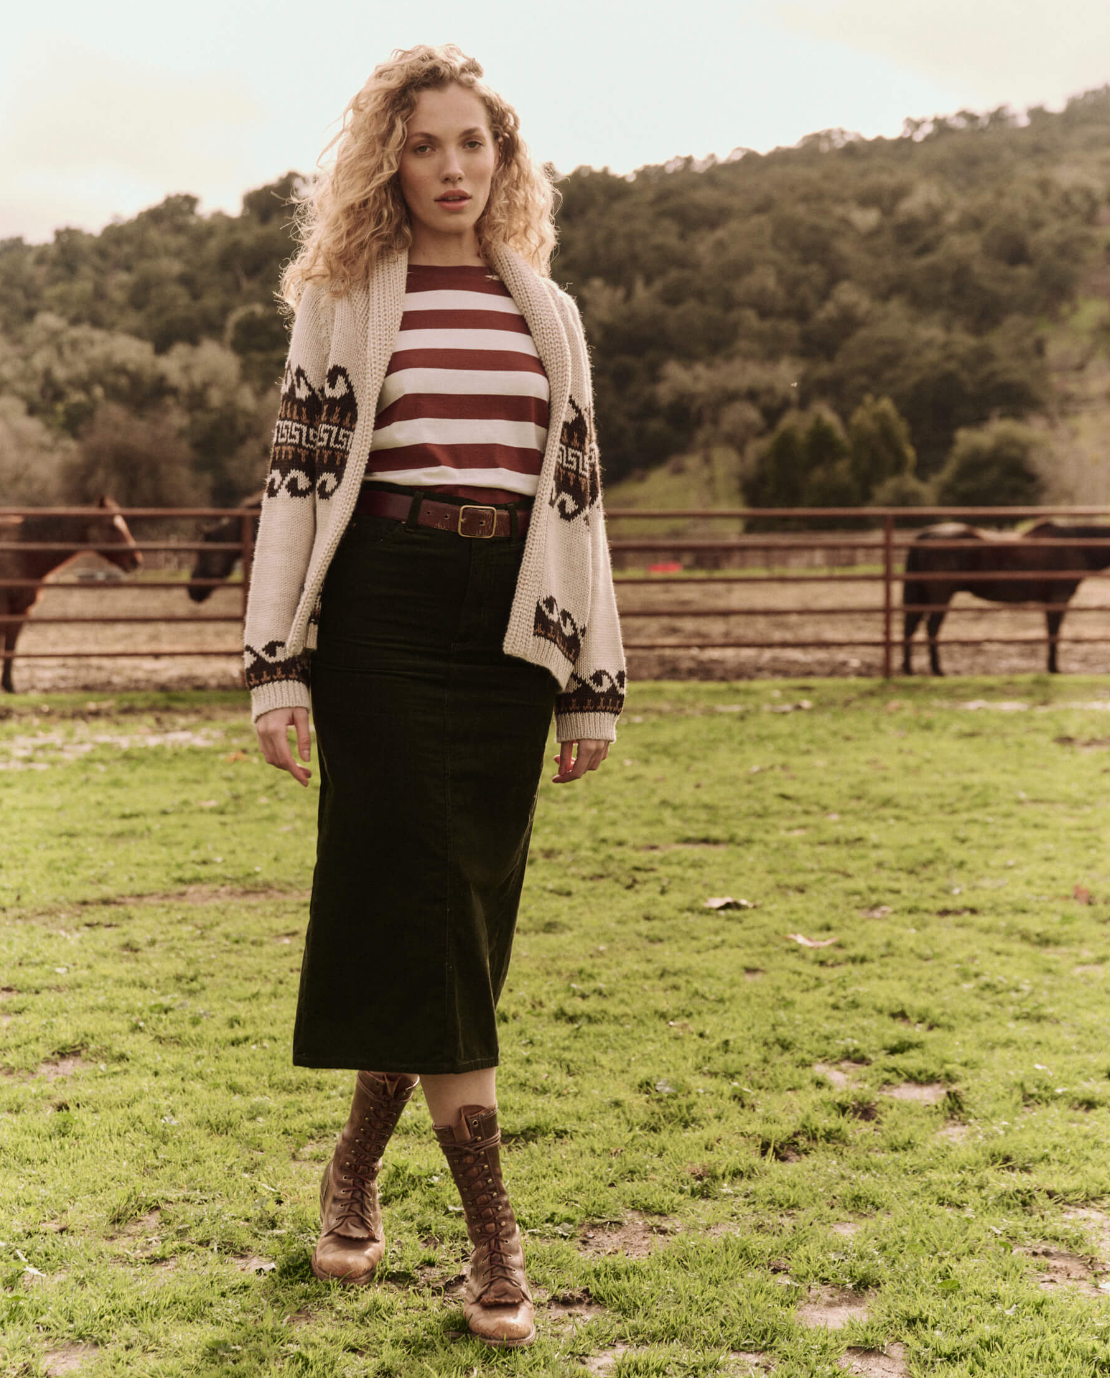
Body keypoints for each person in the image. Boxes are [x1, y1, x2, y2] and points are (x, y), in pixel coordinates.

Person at [243, 43, 626, 1349]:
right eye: (425, 145)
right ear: (387, 163)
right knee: (436, 906)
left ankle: (353, 1172)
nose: (452, 168)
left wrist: (589, 685)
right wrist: (274, 667)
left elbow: (577, 510)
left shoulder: (549, 311)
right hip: (381, 617)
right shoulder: (343, 299)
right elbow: (295, 486)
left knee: (454, 908)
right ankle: (494, 1245)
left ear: (501, 159)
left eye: (473, 144)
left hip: (507, 629)